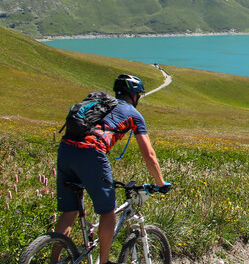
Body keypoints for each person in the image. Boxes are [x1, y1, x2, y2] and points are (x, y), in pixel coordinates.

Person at [54, 74, 168, 264]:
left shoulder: (102, 103)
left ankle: (54, 260)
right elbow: (149, 155)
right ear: (134, 96)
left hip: (66, 149)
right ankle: (105, 261)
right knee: (107, 212)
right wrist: (160, 183)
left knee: (69, 213)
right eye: (138, 95)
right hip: (91, 152)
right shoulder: (133, 114)